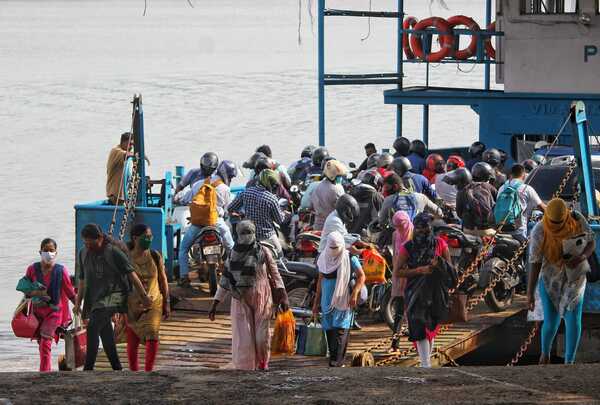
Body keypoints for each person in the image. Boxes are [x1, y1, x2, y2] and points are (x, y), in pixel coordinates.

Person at [208, 221, 288, 370]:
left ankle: (263, 363)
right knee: (243, 338)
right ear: (237, 235)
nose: (246, 236)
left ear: (254, 233)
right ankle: (245, 368)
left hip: (262, 297)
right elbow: (225, 279)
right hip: (240, 299)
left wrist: (283, 295)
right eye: (243, 233)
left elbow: (275, 273)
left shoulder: (263, 251)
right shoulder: (232, 254)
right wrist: (215, 303)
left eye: (248, 232)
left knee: (261, 336)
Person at [74, 224, 152, 371]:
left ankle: (88, 369)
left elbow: (131, 274)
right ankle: (117, 368)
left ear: (101, 238)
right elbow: (82, 281)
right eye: (86, 242)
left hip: (115, 296)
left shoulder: (113, 252)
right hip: (96, 299)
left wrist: (144, 296)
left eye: (92, 242)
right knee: (105, 332)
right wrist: (78, 303)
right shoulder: (83, 253)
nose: (88, 245)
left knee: (92, 327)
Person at [527, 198, 595, 364]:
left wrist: (581, 257)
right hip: (550, 277)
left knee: (573, 317)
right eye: (553, 222)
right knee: (551, 320)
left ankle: (569, 362)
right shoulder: (539, 231)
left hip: (575, 275)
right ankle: (545, 353)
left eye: (560, 222)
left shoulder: (577, 219)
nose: (556, 225)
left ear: (566, 216)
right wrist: (530, 293)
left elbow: (591, 242)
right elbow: (534, 264)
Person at [396, 213, 452, 368]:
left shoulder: (440, 244)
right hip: (415, 293)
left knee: (431, 327)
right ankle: (425, 364)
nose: (422, 231)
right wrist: (420, 270)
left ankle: (426, 361)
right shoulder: (407, 247)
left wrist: (438, 265)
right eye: (419, 228)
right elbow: (398, 271)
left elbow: (449, 268)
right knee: (419, 327)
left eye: (425, 228)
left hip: (435, 293)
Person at [16, 238, 76, 372]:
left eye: (51, 250)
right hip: (37, 312)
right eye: (45, 250)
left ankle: (43, 374)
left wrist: (80, 308)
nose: (48, 253)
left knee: (45, 342)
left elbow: (70, 293)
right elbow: (24, 287)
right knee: (41, 343)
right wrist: (34, 292)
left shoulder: (61, 271)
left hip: (54, 312)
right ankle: (47, 370)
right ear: (40, 252)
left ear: (56, 252)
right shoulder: (32, 269)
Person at [175, 153, 234, 286]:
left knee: (183, 248)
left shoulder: (197, 184)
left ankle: (184, 277)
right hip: (216, 222)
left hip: (198, 223)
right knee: (231, 247)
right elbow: (228, 208)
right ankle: (235, 274)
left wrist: (177, 199)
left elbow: (184, 198)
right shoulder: (225, 188)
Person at [312, 231, 366, 367]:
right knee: (329, 329)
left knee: (340, 329)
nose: (334, 251)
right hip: (327, 299)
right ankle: (333, 359)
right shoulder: (323, 258)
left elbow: (361, 276)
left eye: (336, 248)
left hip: (344, 298)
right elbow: (320, 280)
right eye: (331, 248)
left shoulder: (349, 258)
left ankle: (337, 362)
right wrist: (315, 302)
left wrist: (355, 293)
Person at [126, 224, 170, 372]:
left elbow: (163, 280)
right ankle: (134, 371)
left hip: (154, 301)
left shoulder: (155, 255)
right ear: (135, 238)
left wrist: (167, 302)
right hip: (133, 303)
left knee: (152, 333)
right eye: (146, 237)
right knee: (133, 338)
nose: (149, 239)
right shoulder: (126, 258)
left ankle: (148, 371)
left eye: (151, 237)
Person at [228, 169, 286, 255]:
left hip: (248, 237)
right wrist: (283, 213)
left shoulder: (246, 192)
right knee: (280, 254)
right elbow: (280, 220)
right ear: (270, 184)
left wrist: (241, 214)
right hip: (267, 237)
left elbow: (231, 208)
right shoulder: (272, 199)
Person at [496, 164, 546, 240]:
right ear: (523, 175)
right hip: (519, 231)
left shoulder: (502, 188)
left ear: (511, 175)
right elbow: (543, 208)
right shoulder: (527, 188)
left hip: (501, 229)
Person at [378, 174, 442, 230]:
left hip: (398, 236)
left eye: (387, 187)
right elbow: (439, 213)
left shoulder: (388, 200)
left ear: (395, 186)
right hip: (418, 234)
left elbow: (382, 221)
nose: (386, 190)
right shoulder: (421, 197)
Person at [390, 212, 414, 352]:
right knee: (399, 311)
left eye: (401, 226)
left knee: (413, 310)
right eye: (396, 226)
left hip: (412, 277)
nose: (399, 229)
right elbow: (395, 255)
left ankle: (417, 343)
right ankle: (394, 345)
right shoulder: (395, 235)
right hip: (399, 276)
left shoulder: (414, 234)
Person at [456, 162, 498, 237]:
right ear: (487, 177)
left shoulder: (463, 189)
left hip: (468, 230)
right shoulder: (489, 187)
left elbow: (459, 213)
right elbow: (499, 205)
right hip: (487, 230)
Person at [310, 160, 347, 231]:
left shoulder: (317, 186)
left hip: (317, 226)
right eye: (339, 176)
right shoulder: (337, 189)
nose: (341, 178)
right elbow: (343, 209)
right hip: (333, 227)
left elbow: (311, 206)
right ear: (333, 176)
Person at [348, 170, 384, 235]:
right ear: (377, 184)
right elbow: (381, 218)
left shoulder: (352, 190)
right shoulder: (377, 196)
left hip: (347, 231)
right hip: (365, 235)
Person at [106, 132, 132, 205]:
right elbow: (126, 154)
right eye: (130, 144)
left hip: (123, 195)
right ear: (123, 142)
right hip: (115, 195)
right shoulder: (116, 151)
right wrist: (141, 155)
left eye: (132, 145)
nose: (131, 147)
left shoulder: (125, 151)